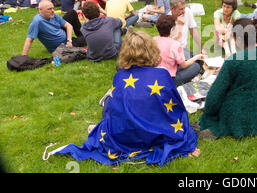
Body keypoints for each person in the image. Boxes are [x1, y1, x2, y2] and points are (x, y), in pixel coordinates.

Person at [52, 29, 200, 166]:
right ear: (152, 50)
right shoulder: (162, 73)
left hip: (125, 132)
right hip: (156, 129)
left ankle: (102, 120)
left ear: (125, 52)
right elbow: (175, 107)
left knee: (110, 104)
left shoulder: (120, 76)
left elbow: (114, 109)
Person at [198, 18, 257, 139]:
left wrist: (208, 112)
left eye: (233, 38)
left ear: (239, 39)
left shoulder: (235, 61)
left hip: (240, 117)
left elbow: (214, 98)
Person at [154, 15, 204, 86]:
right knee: (195, 66)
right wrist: (196, 57)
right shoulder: (175, 44)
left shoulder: (154, 40)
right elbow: (183, 65)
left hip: (155, 75)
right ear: (171, 30)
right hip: (169, 80)